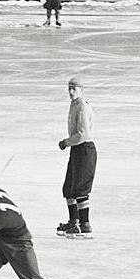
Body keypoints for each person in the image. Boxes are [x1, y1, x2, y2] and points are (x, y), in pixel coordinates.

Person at [56, 77, 96, 239]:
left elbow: (82, 134)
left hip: (84, 149)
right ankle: (74, 221)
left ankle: (84, 225)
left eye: (75, 88)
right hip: (77, 150)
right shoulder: (74, 105)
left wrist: (66, 142)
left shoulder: (82, 107)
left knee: (80, 188)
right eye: (70, 88)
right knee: (69, 188)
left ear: (81, 89)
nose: (71, 92)